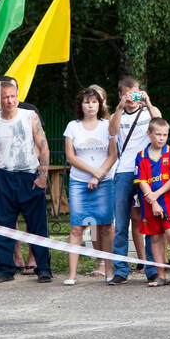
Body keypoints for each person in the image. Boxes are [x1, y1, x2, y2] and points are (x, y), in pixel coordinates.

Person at [0, 76, 52, 283]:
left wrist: (42, 177)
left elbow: (44, 147)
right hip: (4, 177)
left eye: (13, 96)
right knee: (2, 225)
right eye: (5, 97)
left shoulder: (30, 116)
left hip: (30, 176)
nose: (9, 101)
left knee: (38, 225)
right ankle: (4, 270)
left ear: (18, 95)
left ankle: (43, 268)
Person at [107, 75, 162, 285]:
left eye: (136, 93)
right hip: (123, 172)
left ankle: (152, 269)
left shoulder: (147, 113)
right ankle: (121, 269)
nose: (132, 98)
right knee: (121, 224)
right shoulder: (117, 114)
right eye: (128, 94)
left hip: (145, 173)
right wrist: (120, 108)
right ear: (121, 94)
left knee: (148, 221)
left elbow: (159, 123)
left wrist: (147, 102)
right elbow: (111, 132)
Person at [62, 86, 118, 285]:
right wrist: (92, 173)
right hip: (79, 183)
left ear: (100, 104)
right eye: (87, 102)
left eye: (94, 102)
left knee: (105, 227)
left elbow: (113, 155)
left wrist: (99, 175)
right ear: (81, 105)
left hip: (104, 182)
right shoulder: (72, 126)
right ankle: (72, 275)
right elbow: (70, 156)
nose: (91, 105)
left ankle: (109, 270)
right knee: (77, 228)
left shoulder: (107, 125)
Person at [135, 117, 170, 286]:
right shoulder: (141, 156)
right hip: (149, 202)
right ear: (149, 134)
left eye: (164, 135)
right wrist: (152, 200)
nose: (161, 138)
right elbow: (141, 180)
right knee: (155, 238)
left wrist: (157, 195)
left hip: (167, 200)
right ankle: (161, 275)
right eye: (157, 134)